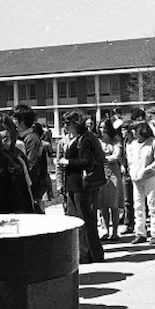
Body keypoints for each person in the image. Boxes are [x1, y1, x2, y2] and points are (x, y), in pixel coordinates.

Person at [58, 111, 106, 264]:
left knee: (84, 219)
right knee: (77, 219)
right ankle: (86, 253)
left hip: (81, 184)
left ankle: (89, 254)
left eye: (67, 123)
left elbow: (86, 161)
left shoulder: (85, 139)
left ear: (75, 123)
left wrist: (67, 162)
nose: (65, 126)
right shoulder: (74, 139)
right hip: (72, 183)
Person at [126, 122, 155, 245]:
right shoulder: (133, 145)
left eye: (135, 131)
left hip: (149, 178)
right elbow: (131, 161)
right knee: (138, 206)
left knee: (152, 205)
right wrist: (132, 173)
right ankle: (140, 232)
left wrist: (148, 170)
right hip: (136, 179)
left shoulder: (153, 143)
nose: (133, 133)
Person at [12, 104, 51, 210]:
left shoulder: (32, 140)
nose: (12, 121)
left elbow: (32, 167)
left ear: (22, 121)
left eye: (14, 118)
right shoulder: (24, 138)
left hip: (33, 190)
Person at [97, 119, 124, 240]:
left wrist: (104, 159)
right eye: (100, 127)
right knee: (103, 204)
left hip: (113, 172)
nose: (102, 130)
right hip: (101, 173)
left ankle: (115, 231)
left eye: (104, 127)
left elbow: (117, 156)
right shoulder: (98, 141)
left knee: (114, 204)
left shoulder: (116, 140)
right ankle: (106, 230)